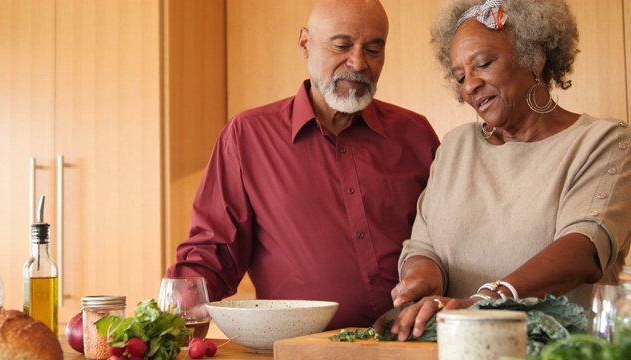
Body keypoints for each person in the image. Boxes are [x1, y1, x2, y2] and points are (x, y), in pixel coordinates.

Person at [165, 0, 440, 329]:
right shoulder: (246, 137)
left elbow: (447, 239)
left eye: (373, 49)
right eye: (342, 45)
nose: (358, 62)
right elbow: (214, 252)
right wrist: (167, 318)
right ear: (305, 44)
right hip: (298, 348)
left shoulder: (415, 134)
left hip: (410, 343)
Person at [385, 0, 631, 341]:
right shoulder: (455, 147)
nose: (469, 85)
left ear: (535, 57)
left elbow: (584, 249)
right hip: (459, 349)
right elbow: (424, 247)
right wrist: (419, 280)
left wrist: (487, 302)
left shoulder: (603, 142)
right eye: (459, 76)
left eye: (483, 64)